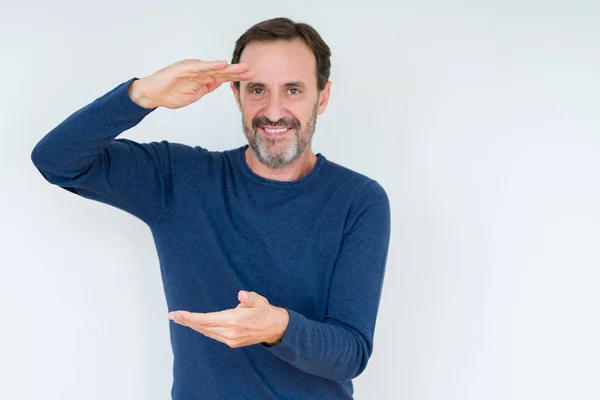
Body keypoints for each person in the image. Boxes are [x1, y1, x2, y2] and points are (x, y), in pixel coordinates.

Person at [31, 17, 391, 400]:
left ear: (322, 96)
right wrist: (142, 95)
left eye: (293, 90)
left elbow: (350, 354)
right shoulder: (180, 179)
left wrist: (277, 327)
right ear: (235, 95)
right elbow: (56, 160)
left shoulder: (359, 199)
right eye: (256, 90)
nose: (273, 111)